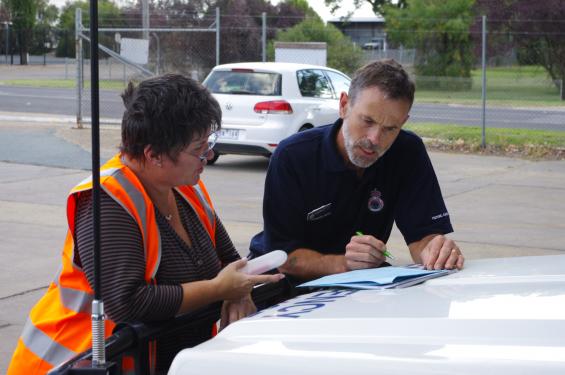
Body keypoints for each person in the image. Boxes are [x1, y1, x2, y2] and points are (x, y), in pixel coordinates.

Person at [8, 74, 283, 375]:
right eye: (198, 148)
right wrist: (219, 289)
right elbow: (127, 303)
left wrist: (239, 291)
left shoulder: (186, 186)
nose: (209, 155)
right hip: (73, 363)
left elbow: (231, 262)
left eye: (209, 143)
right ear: (153, 155)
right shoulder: (106, 200)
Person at [249, 59, 464, 281]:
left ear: (403, 122)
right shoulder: (293, 156)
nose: (374, 139)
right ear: (344, 105)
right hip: (282, 284)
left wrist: (435, 251)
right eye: (367, 121)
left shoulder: (407, 151)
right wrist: (345, 264)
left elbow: (423, 236)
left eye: (390, 128)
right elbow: (284, 257)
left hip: (360, 282)